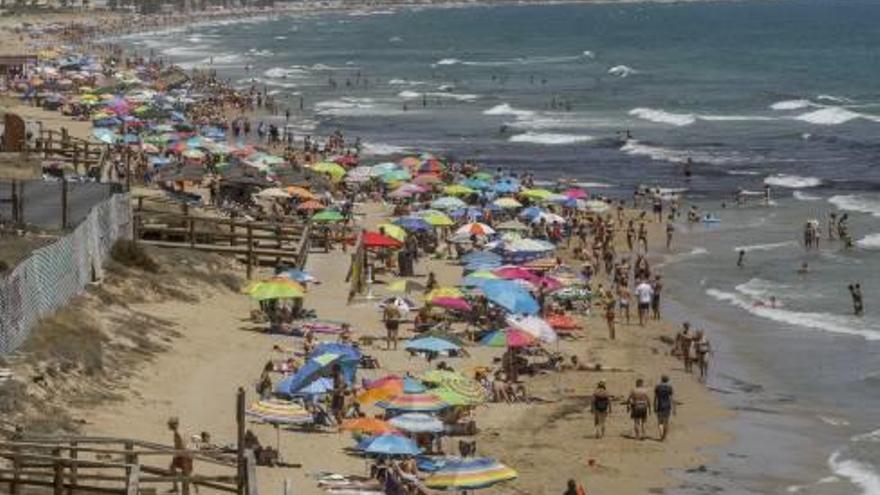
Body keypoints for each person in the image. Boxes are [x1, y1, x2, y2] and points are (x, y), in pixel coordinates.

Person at [167, 417, 193, 493]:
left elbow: (182, 444)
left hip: (184, 455)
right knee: (173, 468)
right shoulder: (178, 431)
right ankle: (176, 487)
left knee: (185, 474)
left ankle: (183, 491)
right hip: (181, 454)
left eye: (170, 425)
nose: (169, 426)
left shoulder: (178, 433)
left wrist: (178, 453)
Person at [654, 375, 674, 441]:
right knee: (666, 422)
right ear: (667, 380)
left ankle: (661, 434)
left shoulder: (658, 387)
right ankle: (664, 436)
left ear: (661, 379)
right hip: (667, 406)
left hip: (660, 406)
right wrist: (674, 409)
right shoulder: (669, 388)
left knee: (660, 422)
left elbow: (656, 398)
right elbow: (671, 399)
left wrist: (654, 406)